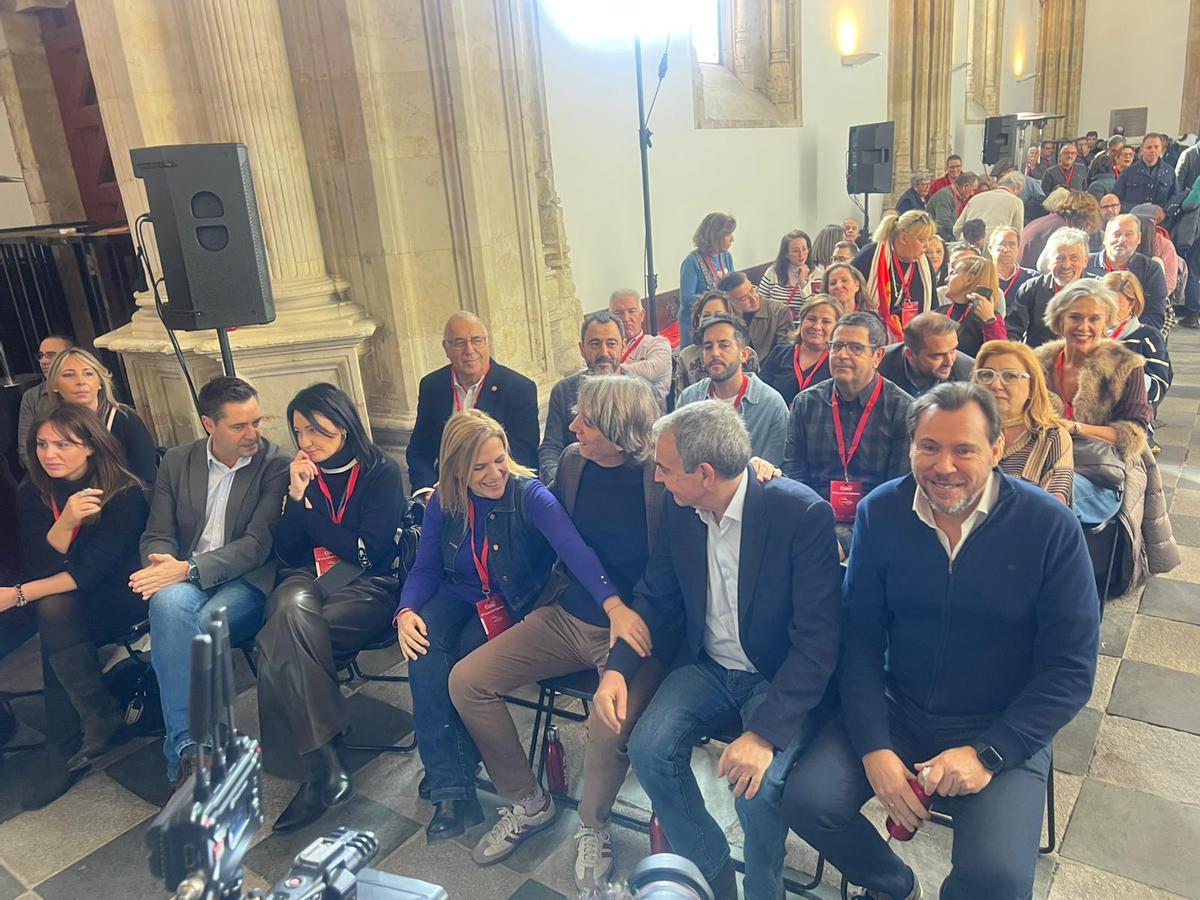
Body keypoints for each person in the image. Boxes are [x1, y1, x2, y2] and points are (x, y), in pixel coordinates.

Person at [783, 382, 1099, 900]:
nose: (943, 465)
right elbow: (860, 638)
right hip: (899, 709)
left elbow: (1070, 670)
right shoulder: (881, 513)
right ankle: (893, 885)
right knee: (806, 801)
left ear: (998, 451)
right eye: (929, 447)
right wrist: (874, 747)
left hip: (998, 724)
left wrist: (988, 754)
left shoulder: (1051, 527)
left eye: (964, 449)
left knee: (996, 879)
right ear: (911, 447)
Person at [595, 400, 841, 900]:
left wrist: (765, 735)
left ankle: (764, 888)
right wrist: (617, 670)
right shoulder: (682, 507)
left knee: (757, 788)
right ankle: (715, 877)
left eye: (664, 468)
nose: (658, 479)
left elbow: (818, 642)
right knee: (648, 748)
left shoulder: (800, 513)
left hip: (775, 675)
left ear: (704, 473)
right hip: (707, 666)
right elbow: (656, 594)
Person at [449, 376, 664, 888]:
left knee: (608, 720)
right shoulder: (573, 461)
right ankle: (528, 801)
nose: (572, 427)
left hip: (636, 632)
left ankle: (594, 826)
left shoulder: (659, 475)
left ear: (617, 431)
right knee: (466, 681)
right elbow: (554, 531)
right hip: (568, 615)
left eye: (585, 420)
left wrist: (760, 469)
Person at [395, 409, 634, 844]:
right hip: (459, 592)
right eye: (479, 467)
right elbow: (426, 568)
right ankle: (450, 785)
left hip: (514, 602)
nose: (494, 474)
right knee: (424, 647)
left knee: (464, 661)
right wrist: (407, 610)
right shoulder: (442, 503)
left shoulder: (530, 495)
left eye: (499, 460)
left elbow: (575, 550)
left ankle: (454, 773)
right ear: (456, 470)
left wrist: (613, 604)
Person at [255, 383, 405, 833]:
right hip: (307, 579)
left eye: (317, 430)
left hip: (369, 585)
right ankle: (326, 761)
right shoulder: (300, 473)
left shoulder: (381, 471)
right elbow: (285, 551)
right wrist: (298, 497)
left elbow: (367, 553)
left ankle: (320, 768)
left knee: (277, 643)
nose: (307, 443)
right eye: (299, 431)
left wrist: (312, 517)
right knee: (287, 610)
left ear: (342, 424)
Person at [134, 376, 291, 786]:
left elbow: (257, 545)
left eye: (257, 422)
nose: (253, 434)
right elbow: (157, 531)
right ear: (209, 424)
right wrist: (159, 563)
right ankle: (195, 750)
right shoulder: (177, 461)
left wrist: (185, 570)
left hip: (246, 581)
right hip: (185, 574)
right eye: (239, 426)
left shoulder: (275, 465)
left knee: (198, 629)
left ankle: (186, 758)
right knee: (167, 605)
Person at [6, 405, 149, 809]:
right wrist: (66, 521)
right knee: (55, 609)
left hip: (121, 595)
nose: (48, 453)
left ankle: (68, 737)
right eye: (41, 444)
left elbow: (91, 573)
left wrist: (18, 595)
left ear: (89, 446)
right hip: (65, 595)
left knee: (53, 608)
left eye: (63, 444)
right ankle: (90, 721)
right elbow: (40, 563)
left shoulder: (124, 493)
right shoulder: (34, 491)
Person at [1033, 280, 1179, 588]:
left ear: (1107, 321)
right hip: (1042, 460)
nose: (1084, 326)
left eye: (1094, 318)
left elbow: (1133, 433)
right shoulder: (1038, 362)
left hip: (1100, 472)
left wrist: (1073, 427)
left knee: (1050, 495)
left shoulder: (1125, 365)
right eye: (1075, 317)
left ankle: (1058, 587)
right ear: (1059, 319)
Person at [783, 312, 913, 548]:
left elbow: (898, 489)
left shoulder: (902, 409)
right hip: (815, 523)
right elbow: (794, 471)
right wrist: (820, 529)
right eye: (837, 346)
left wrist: (851, 539)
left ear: (878, 355)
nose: (842, 355)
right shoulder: (805, 403)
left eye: (855, 348)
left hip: (876, 528)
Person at [407, 312, 539, 496]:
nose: (469, 350)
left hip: (498, 491)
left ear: (487, 343)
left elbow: (523, 456)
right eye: (460, 343)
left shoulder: (518, 388)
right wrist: (427, 489)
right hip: (445, 491)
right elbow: (420, 449)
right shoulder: (432, 385)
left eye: (477, 340)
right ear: (446, 348)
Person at [972, 341, 1074, 504]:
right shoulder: (962, 432)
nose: (995, 385)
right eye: (986, 375)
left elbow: (1054, 509)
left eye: (1010, 376)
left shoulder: (1052, 438)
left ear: (1032, 387)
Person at [678, 316, 788, 464]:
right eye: (708, 347)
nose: (715, 353)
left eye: (724, 345)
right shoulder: (689, 399)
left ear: (744, 354)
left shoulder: (771, 404)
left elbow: (776, 470)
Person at [46, 348, 157, 486]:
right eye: (68, 375)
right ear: (54, 385)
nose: (80, 381)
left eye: (88, 374)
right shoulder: (49, 426)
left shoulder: (124, 419)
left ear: (100, 382)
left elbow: (147, 478)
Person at [538, 311, 625, 485]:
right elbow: (550, 447)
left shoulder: (643, 392)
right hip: (577, 483)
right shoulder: (564, 391)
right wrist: (559, 483)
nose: (604, 351)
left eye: (611, 343)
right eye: (595, 344)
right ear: (581, 348)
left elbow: (652, 450)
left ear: (623, 346)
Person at [854, 210, 937, 343]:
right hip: (872, 335)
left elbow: (933, 306)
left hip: (913, 337)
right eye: (922, 240)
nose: (927, 246)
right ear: (903, 238)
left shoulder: (924, 264)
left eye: (929, 239)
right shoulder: (870, 255)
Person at [1006, 227, 1091, 348]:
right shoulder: (1032, 288)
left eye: (1074, 258)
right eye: (1059, 258)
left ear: (1085, 261)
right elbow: (1013, 330)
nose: (1066, 265)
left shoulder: (1097, 291)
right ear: (1049, 261)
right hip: (1040, 360)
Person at [1085, 214, 1169, 331]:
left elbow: (1155, 316)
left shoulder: (1151, 269)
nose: (1121, 240)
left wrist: (1121, 336)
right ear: (1105, 238)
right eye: (1116, 234)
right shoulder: (1085, 263)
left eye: (1128, 235)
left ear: (1139, 238)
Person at [673, 290, 762, 398]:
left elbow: (755, 394)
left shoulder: (747, 355)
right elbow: (681, 403)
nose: (711, 320)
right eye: (706, 316)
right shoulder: (686, 357)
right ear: (698, 319)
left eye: (719, 315)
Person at [1101, 271, 1172, 406]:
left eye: (1114, 303)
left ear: (1132, 303)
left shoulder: (1149, 338)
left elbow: (1158, 391)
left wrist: (1120, 370)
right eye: (1102, 303)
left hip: (1128, 416)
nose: (1107, 310)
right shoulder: (1092, 335)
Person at [759, 296, 838, 404]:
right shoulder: (779, 353)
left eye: (826, 321)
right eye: (811, 319)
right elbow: (759, 393)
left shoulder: (837, 362)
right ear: (801, 321)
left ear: (837, 328)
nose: (817, 326)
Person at [877, 311, 973, 398]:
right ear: (910, 355)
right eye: (937, 355)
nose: (949, 362)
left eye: (952, 350)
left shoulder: (970, 374)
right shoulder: (878, 366)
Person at [16, 333, 73, 470]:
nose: (43, 361)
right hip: (47, 472)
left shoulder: (84, 389)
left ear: (71, 356)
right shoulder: (31, 397)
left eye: (51, 355)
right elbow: (26, 447)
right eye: (40, 356)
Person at [679, 212, 736, 346]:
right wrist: (714, 298)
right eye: (728, 234)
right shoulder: (692, 261)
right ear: (715, 235)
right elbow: (686, 299)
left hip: (722, 319)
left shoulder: (726, 257)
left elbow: (733, 285)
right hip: (695, 325)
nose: (732, 239)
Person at [609, 289, 672, 408]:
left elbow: (652, 369)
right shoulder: (607, 347)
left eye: (632, 311)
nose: (626, 318)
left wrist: (608, 372)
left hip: (648, 419)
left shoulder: (657, 344)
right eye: (619, 313)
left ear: (642, 314)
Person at [936, 254, 1008, 358]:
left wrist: (989, 321)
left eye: (954, 273)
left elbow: (1000, 356)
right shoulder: (940, 312)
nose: (946, 279)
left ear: (969, 279)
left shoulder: (989, 320)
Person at [1018, 189, 1100, 269]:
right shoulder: (1062, 231)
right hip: (1029, 274)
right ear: (1086, 217)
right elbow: (1043, 267)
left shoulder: (1049, 220)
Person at [718, 271, 792, 359]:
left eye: (752, 289)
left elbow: (785, 352)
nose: (754, 298)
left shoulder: (778, 311)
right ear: (730, 303)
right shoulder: (724, 318)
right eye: (744, 298)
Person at [757, 229, 815, 317]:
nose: (801, 255)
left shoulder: (817, 274)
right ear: (786, 254)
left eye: (804, 249)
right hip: (776, 324)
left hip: (803, 325)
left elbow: (813, 309)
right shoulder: (772, 272)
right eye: (796, 251)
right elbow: (760, 302)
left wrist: (803, 283)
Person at [1115, 133, 1177, 212]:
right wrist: (1136, 210)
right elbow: (1117, 200)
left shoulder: (1169, 172)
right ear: (1142, 149)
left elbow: (1175, 198)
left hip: (1161, 221)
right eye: (1149, 147)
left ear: (1162, 149)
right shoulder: (1128, 172)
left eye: (1156, 147)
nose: (1153, 150)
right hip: (1134, 219)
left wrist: (1165, 212)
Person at [954, 172, 1025, 239]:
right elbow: (1017, 234)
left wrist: (965, 242)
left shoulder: (976, 198)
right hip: (994, 246)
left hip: (968, 246)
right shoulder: (1016, 202)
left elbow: (956, 229)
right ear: (1017, 187)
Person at [989, 225, 1037, 311]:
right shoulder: (981, 276)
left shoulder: (1033, 278)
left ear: (1018, 249)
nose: (1007, 249)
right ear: (990, 248)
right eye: (1002, 244)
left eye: (1012, 245)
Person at [928, 173, 979, 242]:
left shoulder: (954, 195)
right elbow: (943, 222)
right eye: (973, 190)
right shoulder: (945, 195)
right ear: (965, 186)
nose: (972, 193)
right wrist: (959, 236)